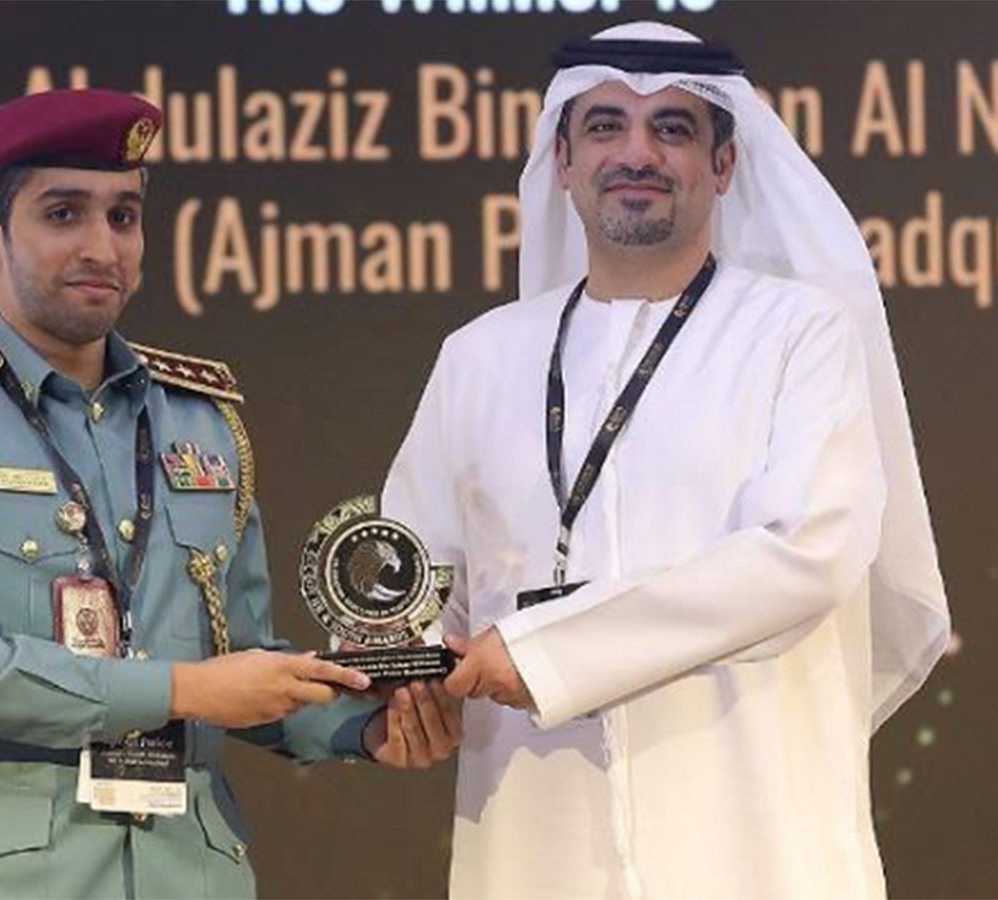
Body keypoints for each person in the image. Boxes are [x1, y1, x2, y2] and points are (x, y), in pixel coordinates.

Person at [0, 88, 458, 900]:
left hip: (184, 873)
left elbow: (242, 662)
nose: (103, 246)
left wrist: (367, 725)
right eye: (64, 215)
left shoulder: (200, 419)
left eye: (123, 217)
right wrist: (183, 690)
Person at [383, 21, 950, 900]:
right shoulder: (480, 357)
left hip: (755, 845)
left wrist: (543, 649)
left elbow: (808, 553)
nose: (636, 153)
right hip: (537, 845)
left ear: (723, 165)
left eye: (673, 129)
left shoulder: (798, 334)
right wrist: (404, 680)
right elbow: (413, 575)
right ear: (563, 160)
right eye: (606, 126)